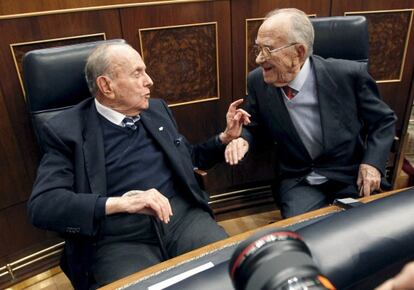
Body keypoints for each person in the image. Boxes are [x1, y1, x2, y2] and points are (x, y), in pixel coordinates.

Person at [28, 42, 250, 289]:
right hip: (119, 238)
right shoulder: (66, 131)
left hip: (182, 218)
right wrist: (122, 203)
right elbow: (43, 206)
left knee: (230, 275)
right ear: (106, 86)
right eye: (137, 73)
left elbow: (190, 158)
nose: (149, 80)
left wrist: (225, 138)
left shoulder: (156, 110)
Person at [225, 8, 396, 218]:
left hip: (349, 172)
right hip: (299, 179)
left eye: (268, 50)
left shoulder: (348, 75)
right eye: (258, 49)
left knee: (370, 227)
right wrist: (242, 139)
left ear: (299, 52)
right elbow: (253, 125)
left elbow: (384, 121)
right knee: (305, 234)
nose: (259, 59)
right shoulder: (258, 82)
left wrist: (372, 163)